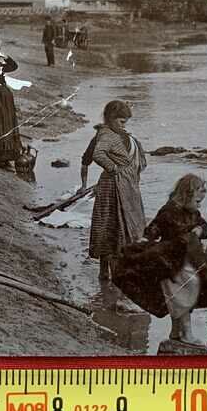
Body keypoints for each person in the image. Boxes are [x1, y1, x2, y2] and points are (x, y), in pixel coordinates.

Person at [115, 174, 207, 344]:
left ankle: (175, 332)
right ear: (187, 194)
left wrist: (199, 230)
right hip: (171, 261)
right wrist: (142, 244)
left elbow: (205, 226)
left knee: (183, 295)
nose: (199, 204)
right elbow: (153, 229)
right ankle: (187, 334)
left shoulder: (192, 211)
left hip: (188, 259)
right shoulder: (169, 210)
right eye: (198, 200)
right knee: (183, 296)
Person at [88, 100, 147, 280]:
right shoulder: (108, 135)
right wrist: (113, 168)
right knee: (112, 226)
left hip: (119, 185)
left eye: (125, 123)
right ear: (111, 119)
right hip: (113, 187)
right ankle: (110, 272)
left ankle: (107, 272)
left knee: (110, 226)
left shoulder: (112, 134)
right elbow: (97, 154)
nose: (123, 126)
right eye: (121, 122)